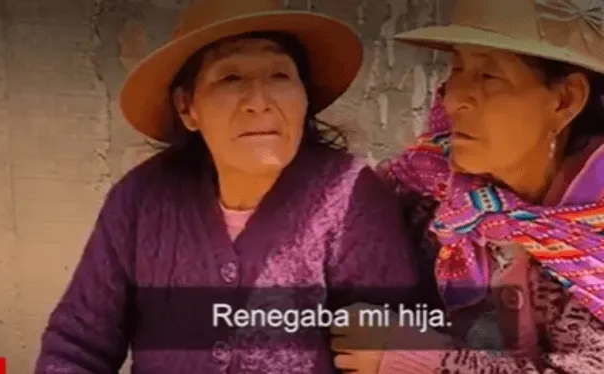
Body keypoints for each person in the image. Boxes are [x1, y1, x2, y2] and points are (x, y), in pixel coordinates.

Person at [34, 0, 423, 373]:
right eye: (231, 78)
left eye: (280, 76)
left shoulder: (351, 197)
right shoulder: (140, 199)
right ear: (188, 107)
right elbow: (77, 346)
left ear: (305, 97)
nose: (259, 101)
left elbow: (390, 353)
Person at [331, 0, 604, 373]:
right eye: (458, 67)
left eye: (489, 76)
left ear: (565, 100)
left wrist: (422, 361)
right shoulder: (429, 184)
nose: (455, 97)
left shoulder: (593, 232)